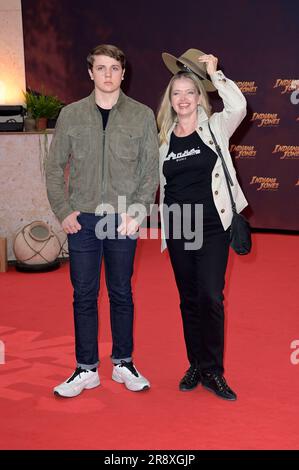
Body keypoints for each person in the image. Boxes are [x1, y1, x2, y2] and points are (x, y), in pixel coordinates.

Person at [45, 44, 159, 397]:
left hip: (122, 220)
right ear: (90, 73)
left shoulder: (141, 116)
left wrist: (137, 212)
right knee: (84, 294)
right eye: (101, 68)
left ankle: (123, 363)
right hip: (83, 221)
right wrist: (63, 210)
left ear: (123, 74)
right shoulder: (71, 115)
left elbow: (149, 172)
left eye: (114, 68)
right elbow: (53, 167)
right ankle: (86, 368)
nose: (108, 75)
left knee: (121, 292)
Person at [157, 49, 248, 401]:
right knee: (188, 299)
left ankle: (213, 370)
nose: (182, 99)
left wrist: (216, 73)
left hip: (212, 226)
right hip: (180, 227)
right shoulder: (163, 140)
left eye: (189, 92)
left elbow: (238, 107)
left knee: (210, 296)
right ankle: (194, 363)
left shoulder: (215, 128)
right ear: (170, 99)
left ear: (199, 96)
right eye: (176, 93)